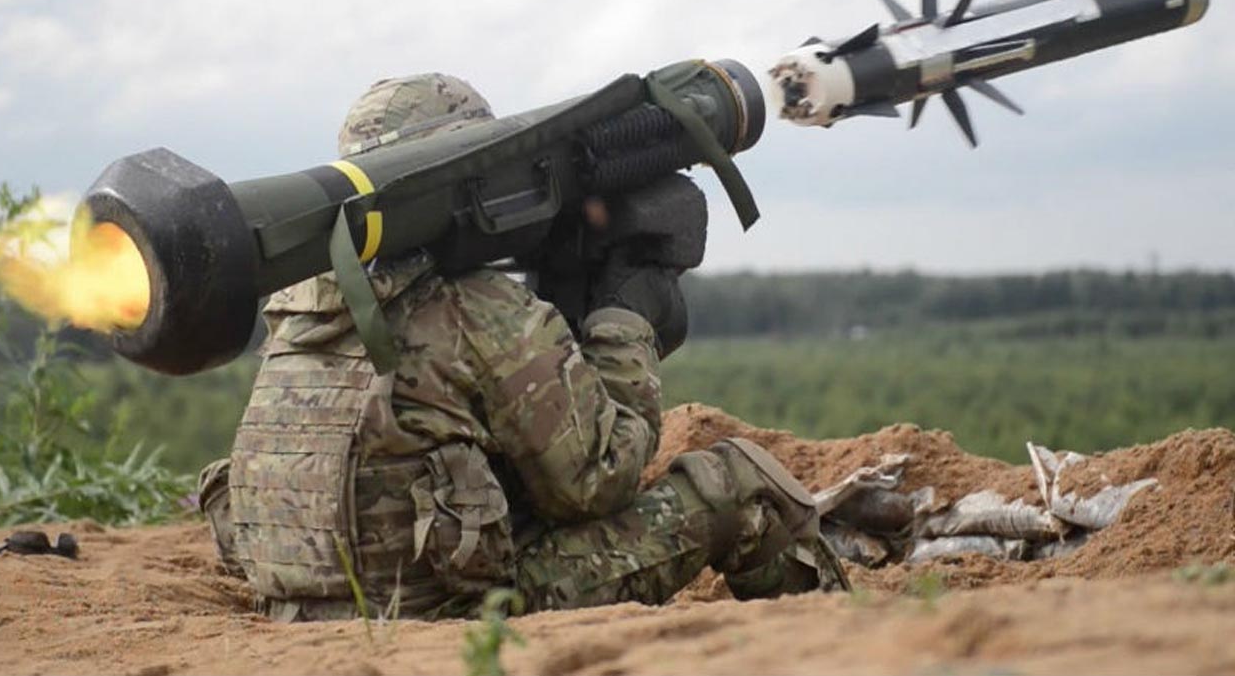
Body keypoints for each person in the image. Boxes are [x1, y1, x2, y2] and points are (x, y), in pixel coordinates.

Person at [198, 73, 847, 621]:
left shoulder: (300, 299)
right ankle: (850, 644)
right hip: (446, 619)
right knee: (738, 484)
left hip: (302, 608)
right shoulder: (472, 308)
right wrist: (624, 319)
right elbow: (599, 478)